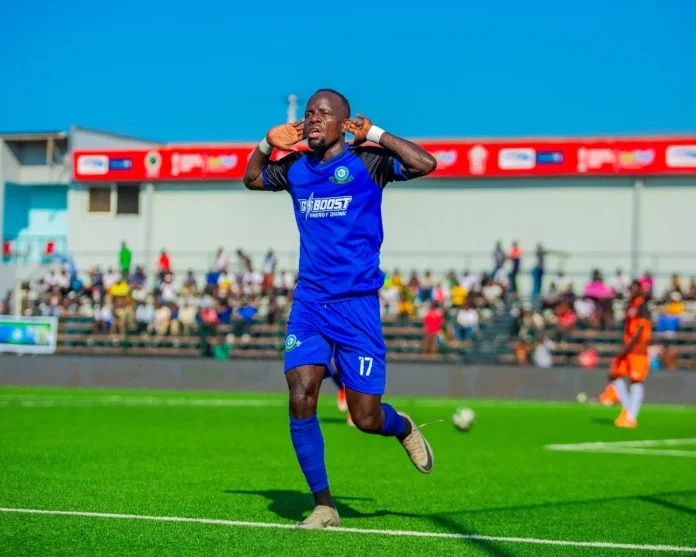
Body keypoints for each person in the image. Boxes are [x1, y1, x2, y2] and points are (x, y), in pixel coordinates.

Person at [243, 88, 437, 529]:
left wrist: (376, 134)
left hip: (357, 307)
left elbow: (424, 164)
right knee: (300, 394)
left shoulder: (368, 161)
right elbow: (252, 179)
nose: (312, 119)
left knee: (365, 417)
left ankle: (401, 427)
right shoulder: (295, 167)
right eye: (308, 113)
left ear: (343, 124)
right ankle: (324, 505)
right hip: (310, 304)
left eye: (322, 114)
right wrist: (266, 144)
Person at [597, 281, 652, 428]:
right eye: (630, 289)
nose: (631, 291)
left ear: (640, 290)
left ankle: (631, 417)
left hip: (637, 350)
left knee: (636, 381)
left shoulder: (643, 306)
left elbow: (640, 330)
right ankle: (627, 408)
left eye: (634, 289)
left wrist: (627, 346)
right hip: (627, 348)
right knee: (614, 374)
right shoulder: (631, 305)